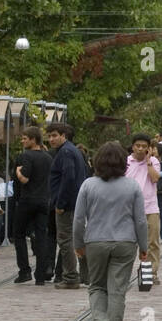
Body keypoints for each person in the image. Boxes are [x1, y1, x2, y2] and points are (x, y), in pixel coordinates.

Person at [73, 142, 148, 321]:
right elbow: (140, 220)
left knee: (96, 286)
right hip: (125, 243)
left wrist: (78, 244)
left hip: (95, 241)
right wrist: (144, 246)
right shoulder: (132, 186)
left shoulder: (88, 185)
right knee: (117, 291)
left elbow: (78, 219)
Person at [47, 122, 89, 289]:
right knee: (77, 239)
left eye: (55, 135)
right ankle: (86, 276)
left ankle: (71, 276)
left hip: (67, 205)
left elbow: (69, 177)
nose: (51, 139)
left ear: (64, 136)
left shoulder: (65, 152)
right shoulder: (72, 151)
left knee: (66, 240)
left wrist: (60, 203)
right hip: (75, 202)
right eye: (49, 136)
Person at [10, 126, 53, 284]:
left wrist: (18, 172)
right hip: (43, 201)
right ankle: (41, 275)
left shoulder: (26, 155)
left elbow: (24, 179)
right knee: (41, 236)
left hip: (27, 200)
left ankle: (24, 270)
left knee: (19, 234)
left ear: (33, 140)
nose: (22, 141)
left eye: (24, 138)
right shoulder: (48, 157)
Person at [124, 134, 162, 283]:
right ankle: (125, 272)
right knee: (128, 242)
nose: (140, 149)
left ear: (149, 148)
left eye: (144, 146)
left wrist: (148, 162)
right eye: (137, 145)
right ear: (133, 146)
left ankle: (151, 272)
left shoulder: (153, 161)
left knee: (152, 241)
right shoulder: (126, 161)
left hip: (150, 207)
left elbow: (155, 178)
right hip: (129, 208)